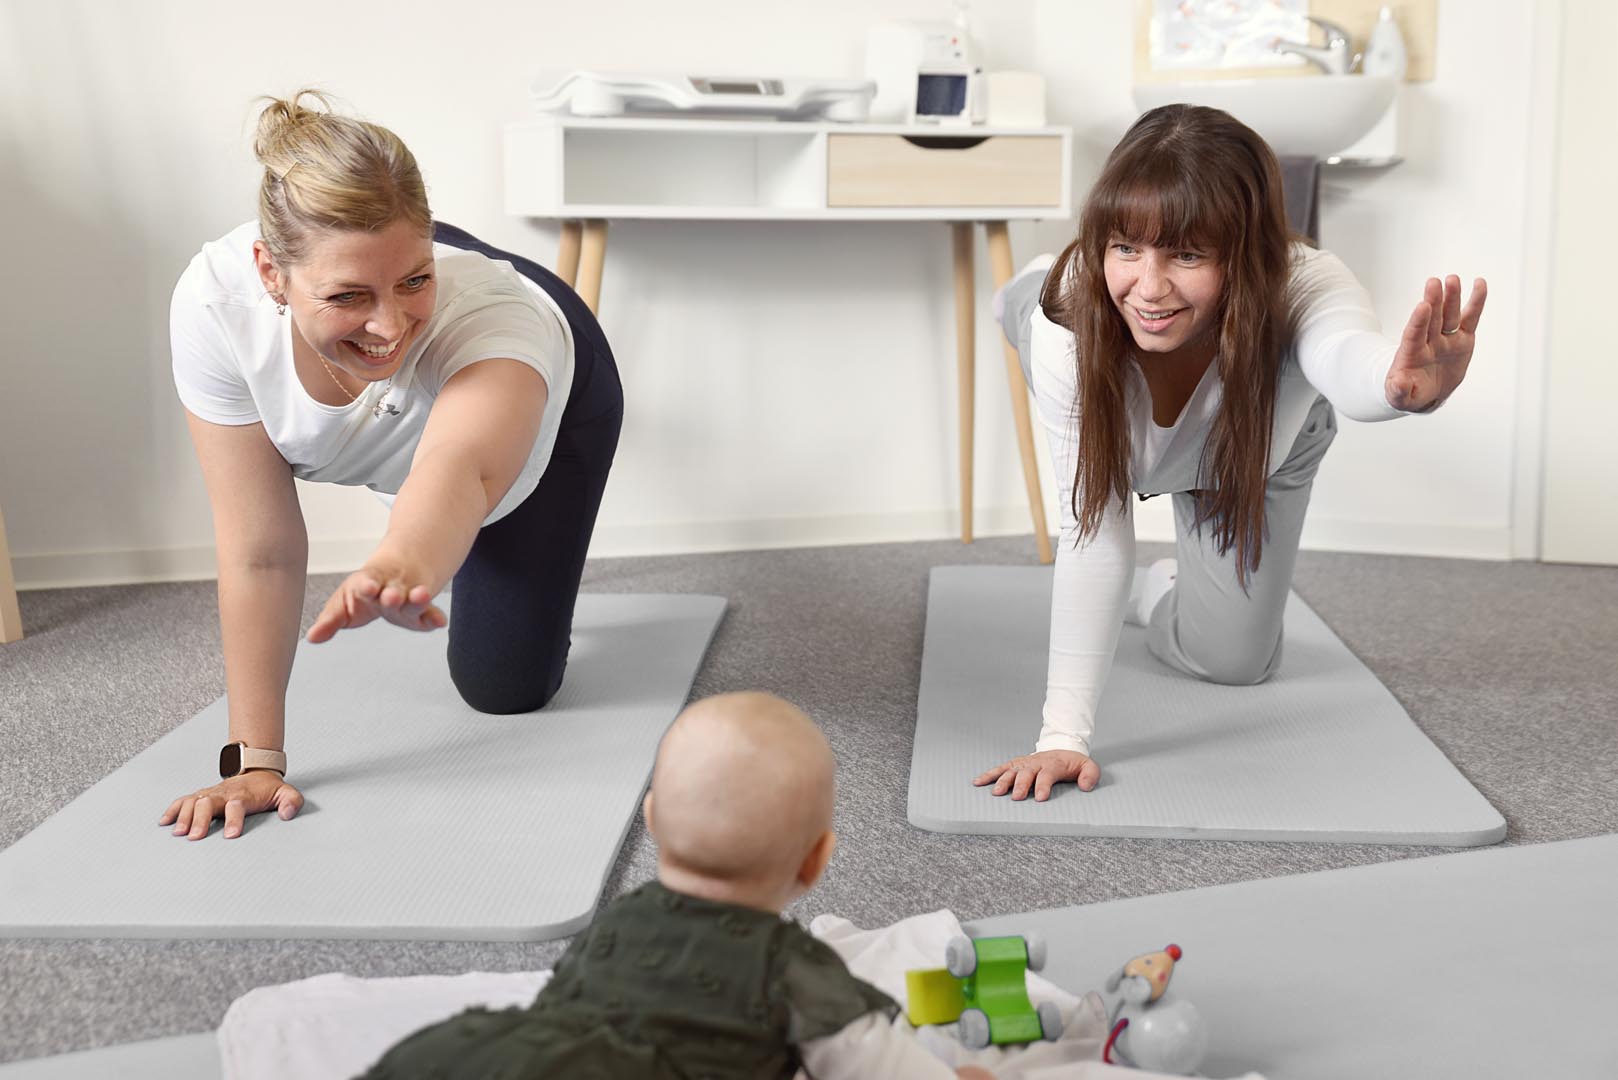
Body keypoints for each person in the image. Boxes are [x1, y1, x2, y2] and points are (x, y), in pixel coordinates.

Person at [974, 104, 1487, 802]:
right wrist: (1062, 737)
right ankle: (1026, 284)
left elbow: (1346, 356)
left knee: (1238, 662)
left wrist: (1400, 390)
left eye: (1187, 254)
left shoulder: (1306, 281)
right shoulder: (1075, 315)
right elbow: (1094, 527)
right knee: (1030, 307)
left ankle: (1161, 587)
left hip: (1244, 455)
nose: (1150, 287)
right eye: (1126, 247)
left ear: (1245, 254)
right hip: (1068, 334)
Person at [161, 91, 623, 840]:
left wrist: (404, 561)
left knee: (502, 688)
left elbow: (459, 469)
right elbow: (260, 548)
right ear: (269, 273)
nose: (386, 326)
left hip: (558, 396)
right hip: (398, 338)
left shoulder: (495, 323)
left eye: (416, 277)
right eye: (348, 295)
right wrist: (254, 760)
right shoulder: (218, 308)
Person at [362, 691, 998, 1079]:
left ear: (651, 821)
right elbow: (870, 1065)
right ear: (815, 861)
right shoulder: (792, 967)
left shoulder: (616, 918)